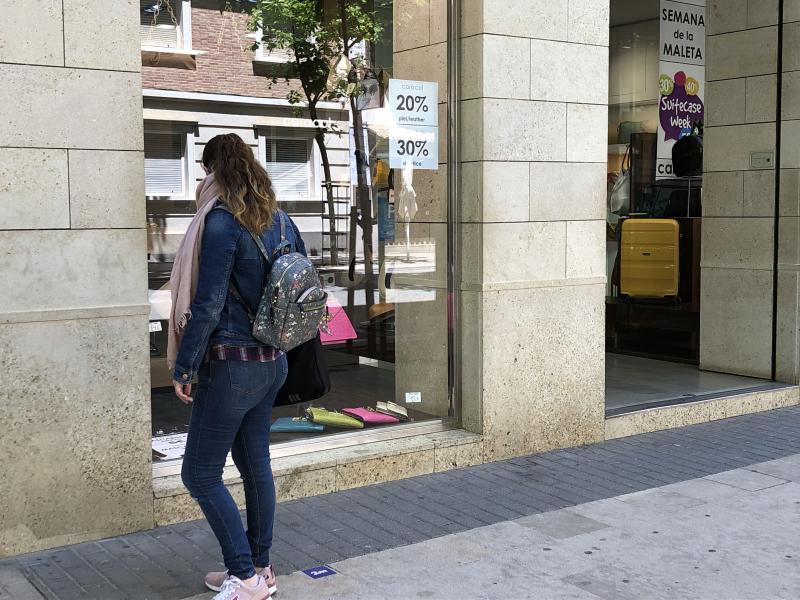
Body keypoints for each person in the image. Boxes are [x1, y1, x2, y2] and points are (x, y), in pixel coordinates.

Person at [168, 133, 305, 600]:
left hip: (232, 366)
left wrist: (184, 368)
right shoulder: (282, 220)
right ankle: (261, 569)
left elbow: (206, 306)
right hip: (273, 362)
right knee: (255, 466)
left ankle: (244, 577)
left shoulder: (223, 223)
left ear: (213, 171)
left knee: (200, 474)